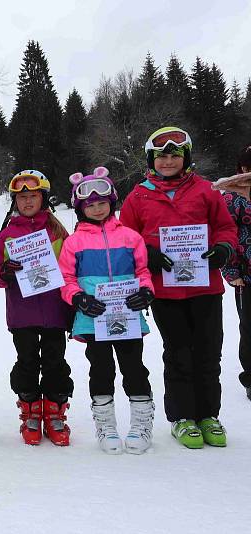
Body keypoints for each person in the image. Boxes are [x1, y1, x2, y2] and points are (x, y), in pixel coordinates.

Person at [120, 127, 237, 449]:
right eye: (161, 156)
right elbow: (126, 238)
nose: (168, 160)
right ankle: (183, 417)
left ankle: (208, 415)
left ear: (186, 158)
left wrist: (224, 249)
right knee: (178, 353)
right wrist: (148, 253)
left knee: (208, 352)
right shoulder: (139, 195)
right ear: (152, 160)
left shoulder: (206, 190)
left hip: (205, 288)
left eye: (174, 155)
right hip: (166, 291)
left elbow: (226, 227)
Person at [59, 167, 155, 454]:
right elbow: (66, 279)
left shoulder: (130, 236)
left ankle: (141, 424)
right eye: (90, 205)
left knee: (134, 368)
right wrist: (78, 299)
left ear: (112, 203)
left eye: (102, 203)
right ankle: (106, 426)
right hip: (92, 319)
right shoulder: (73, 242)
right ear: (80, 208)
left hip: (127, 317)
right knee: (101, 370)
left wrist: (146, 292)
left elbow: (143, 271)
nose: (97, 209)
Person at [0, 170, 74, 446]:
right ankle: (30, 412)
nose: (27, 202)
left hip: (54, 311)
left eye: (33, 196)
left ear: (44, 198)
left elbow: (72, 268)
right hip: (22, 314)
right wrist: (6, 272)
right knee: (27, 362)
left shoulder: (58, 231)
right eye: (22, 197)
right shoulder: (6, 236)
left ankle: (55, 412)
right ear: (15, 201)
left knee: (55, 362)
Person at [220, 145, 251, 401]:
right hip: (246, 274)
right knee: (249, 328)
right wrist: (231, 269)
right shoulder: (232, 197)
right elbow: (225, 233)